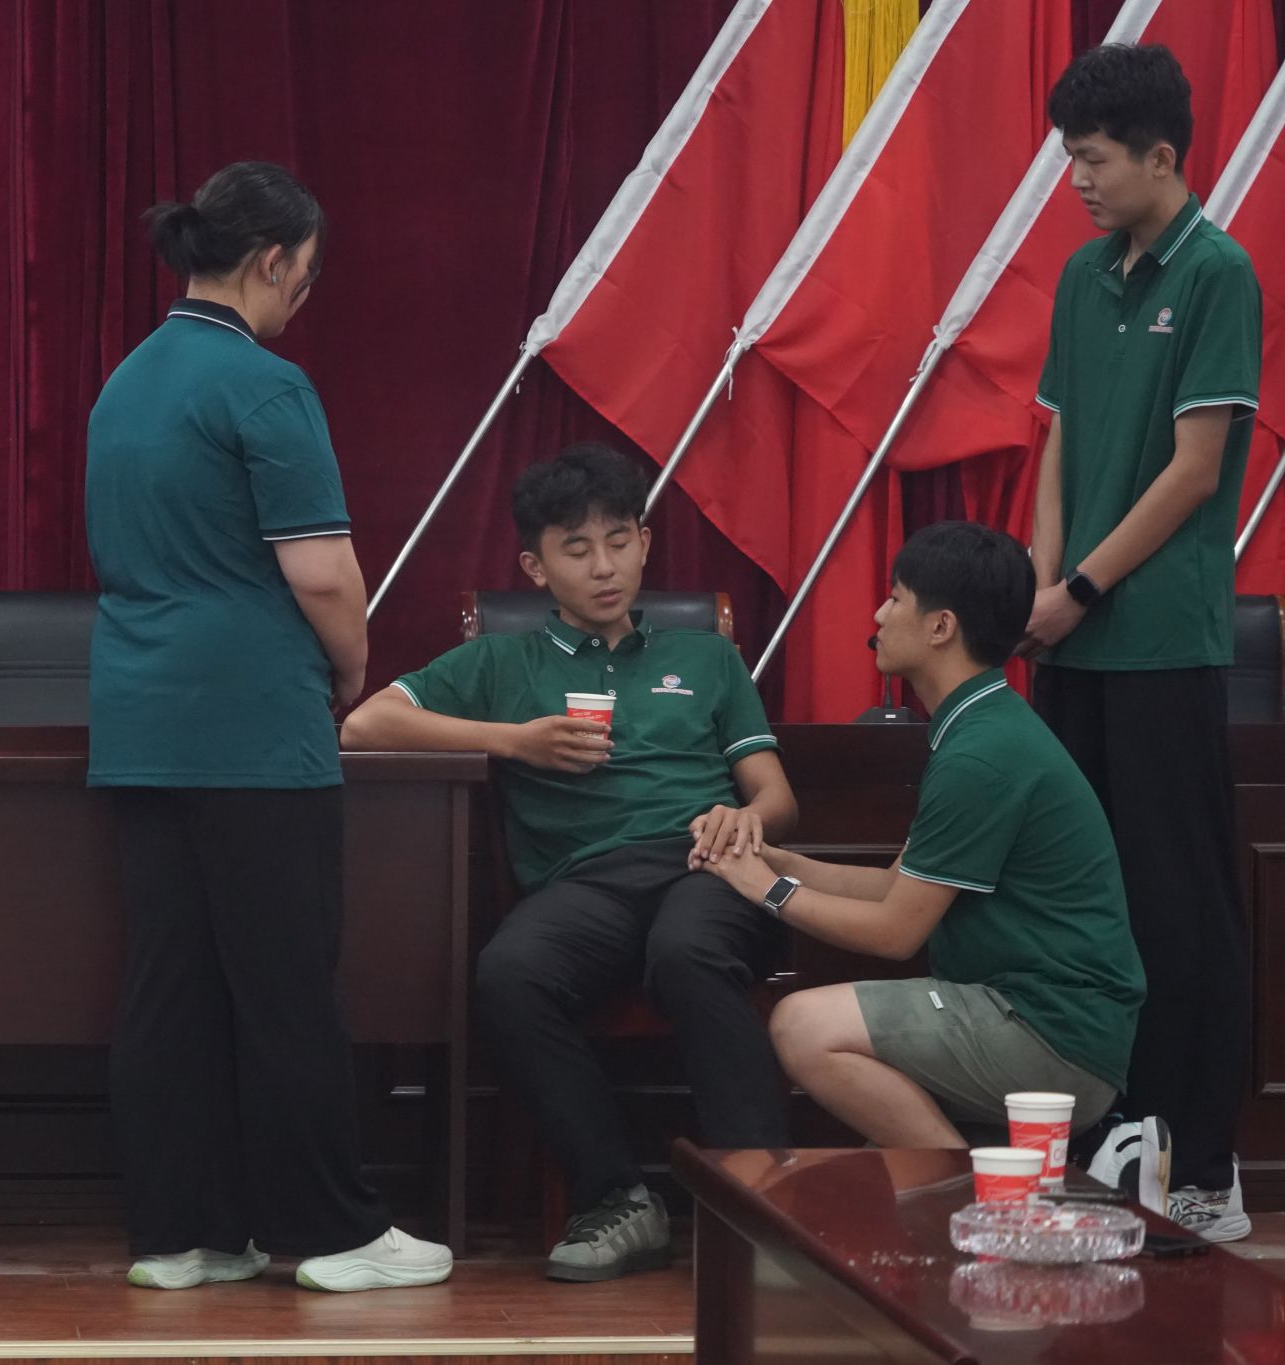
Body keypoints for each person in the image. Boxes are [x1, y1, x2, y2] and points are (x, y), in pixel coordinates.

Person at [84, 161, 451, 1293]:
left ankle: (182, 1234)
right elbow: (324, 576)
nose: (303, 296)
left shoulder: (124, 384)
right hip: (252, 724)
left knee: (169, 986)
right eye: (306, 274)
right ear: (274, 260)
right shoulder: (265, 386)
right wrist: (352, 669)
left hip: (137, 720)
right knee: (286, 984)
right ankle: (334, 1234)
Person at [341, 443, 798, 1283]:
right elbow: (365, 724)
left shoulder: (707, 658)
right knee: (508, 973)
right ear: (536, 567)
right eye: (576, 548)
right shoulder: (502, 662)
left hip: (705, 863)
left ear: (645, 543)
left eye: (619, 541)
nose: (604, 566)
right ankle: (618, 1197)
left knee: (688, 950)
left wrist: (745, 814)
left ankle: (763, 1204)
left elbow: (777, 795)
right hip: (586, 883)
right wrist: (513, 740)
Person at [1020, 42, 1260, 1239]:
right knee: (1084, 904)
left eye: (1092, 160)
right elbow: (1059, 439)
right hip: (1067, 636)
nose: (1075, 180)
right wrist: (1040, 584)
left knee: (1179, 907)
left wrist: (1082, 585)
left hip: (1158, 640)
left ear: (1160, 158)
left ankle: (1202, 1168)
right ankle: (1108, 1144)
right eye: (1069, 158)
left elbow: (1195, 469)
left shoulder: (1217, 273)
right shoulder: (1079, 275)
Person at [707, 522, 1145, 1163]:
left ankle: (982, 1199)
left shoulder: (982, 754)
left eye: (895, 598)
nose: (879, 615)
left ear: (941, 627)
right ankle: (989, 1185)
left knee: (802, 1026)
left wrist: (768, 891)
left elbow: (895, 932)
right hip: (1035, 1022)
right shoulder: (982, 723)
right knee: (881, 1181)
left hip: (1050, 1036)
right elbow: (895, 885)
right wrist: (777, 859)